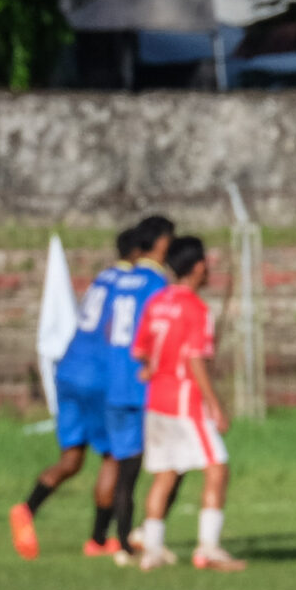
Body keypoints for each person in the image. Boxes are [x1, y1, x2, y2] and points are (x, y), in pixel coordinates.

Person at [10, 226, 141, 560]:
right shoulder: (133, 286)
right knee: (113, 455)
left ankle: (26, 508)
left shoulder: (102, 279)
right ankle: (98, 539)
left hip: (68, 370)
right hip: (99, 376)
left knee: (72, 459)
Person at [131, 236, 245, 572]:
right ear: (198, 267)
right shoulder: (196, 309)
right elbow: (196, 360)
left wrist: (153, 367)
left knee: (165, 473)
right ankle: (208, 547)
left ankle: (152, 548)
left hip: (156, 400)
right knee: (217, 467)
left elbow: (141, 351)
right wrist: (215, 403)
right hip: (184, 400)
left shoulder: (156, 301)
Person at [99, 214, 176, 562]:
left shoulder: (119, 281)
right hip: (145, 384)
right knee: (176, 460)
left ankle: (124, 544)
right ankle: (147, 532)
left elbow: (106, 330)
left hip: (115, 382)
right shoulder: (156, 282)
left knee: (125, 468)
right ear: (161, 243)